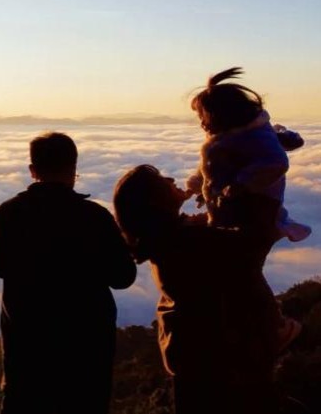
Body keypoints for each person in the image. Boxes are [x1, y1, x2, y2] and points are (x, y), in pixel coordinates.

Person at [0, 132, 137, 413]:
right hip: (86, 349)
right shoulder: (94, 217)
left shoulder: (7, 214)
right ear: (74, 168)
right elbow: (122, 277)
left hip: (26, 345)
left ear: (33, 171)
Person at [113, 164, 281, 414]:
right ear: (154, 201)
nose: (170, 178)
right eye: (161, 179)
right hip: (220, 369)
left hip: (195, 362)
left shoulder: (168, 242)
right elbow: (255, 242)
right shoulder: (186, 244)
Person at [187, 66, 308, 349]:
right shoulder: (227, 138)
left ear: (221, 115)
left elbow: (276, 163)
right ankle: (250, 324)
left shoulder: (253, 138)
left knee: (245, 271)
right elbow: (211, 169)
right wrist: (196, 187)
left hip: (256, 216)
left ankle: (276, 326)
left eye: (202, 117)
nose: (201, 123)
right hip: (234, 215)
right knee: (238, 271)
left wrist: (240, 185)